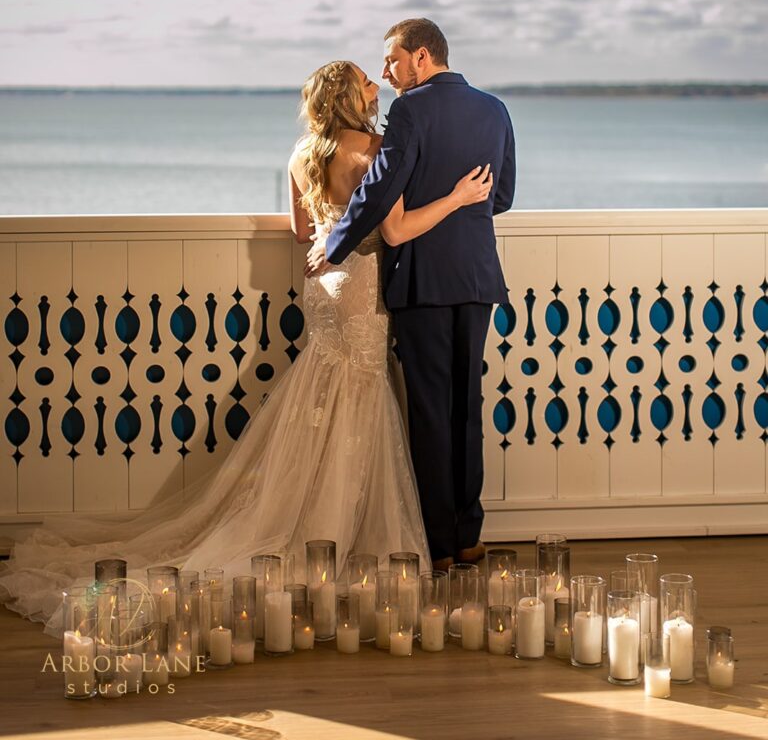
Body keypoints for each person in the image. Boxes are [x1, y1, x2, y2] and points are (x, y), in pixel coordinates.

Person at [0, 58, 491, 631]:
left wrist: (331, 235)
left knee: (321, 389)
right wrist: (454, 200)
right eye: (365, 79)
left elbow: (301, 232)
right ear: (350, 96)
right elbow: (392, 228)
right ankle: (342, 531)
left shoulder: (302, 153)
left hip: (321, 288)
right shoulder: (376, 147)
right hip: (360, 280)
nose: (375, 83)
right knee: (361, 391)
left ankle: (309, 516)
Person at [306, 19, 516, 572]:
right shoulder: (495, 109)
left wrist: (336, 243)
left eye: (393, 62)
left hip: (423, 277)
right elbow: (504, 196)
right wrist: (460, 209)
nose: (386, 72)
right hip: (475, 276)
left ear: (421, 58)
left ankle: (441, 546)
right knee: (467, 407)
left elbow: (379, 188)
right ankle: (469, 536)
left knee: (429, 412)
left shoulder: (410, 110)